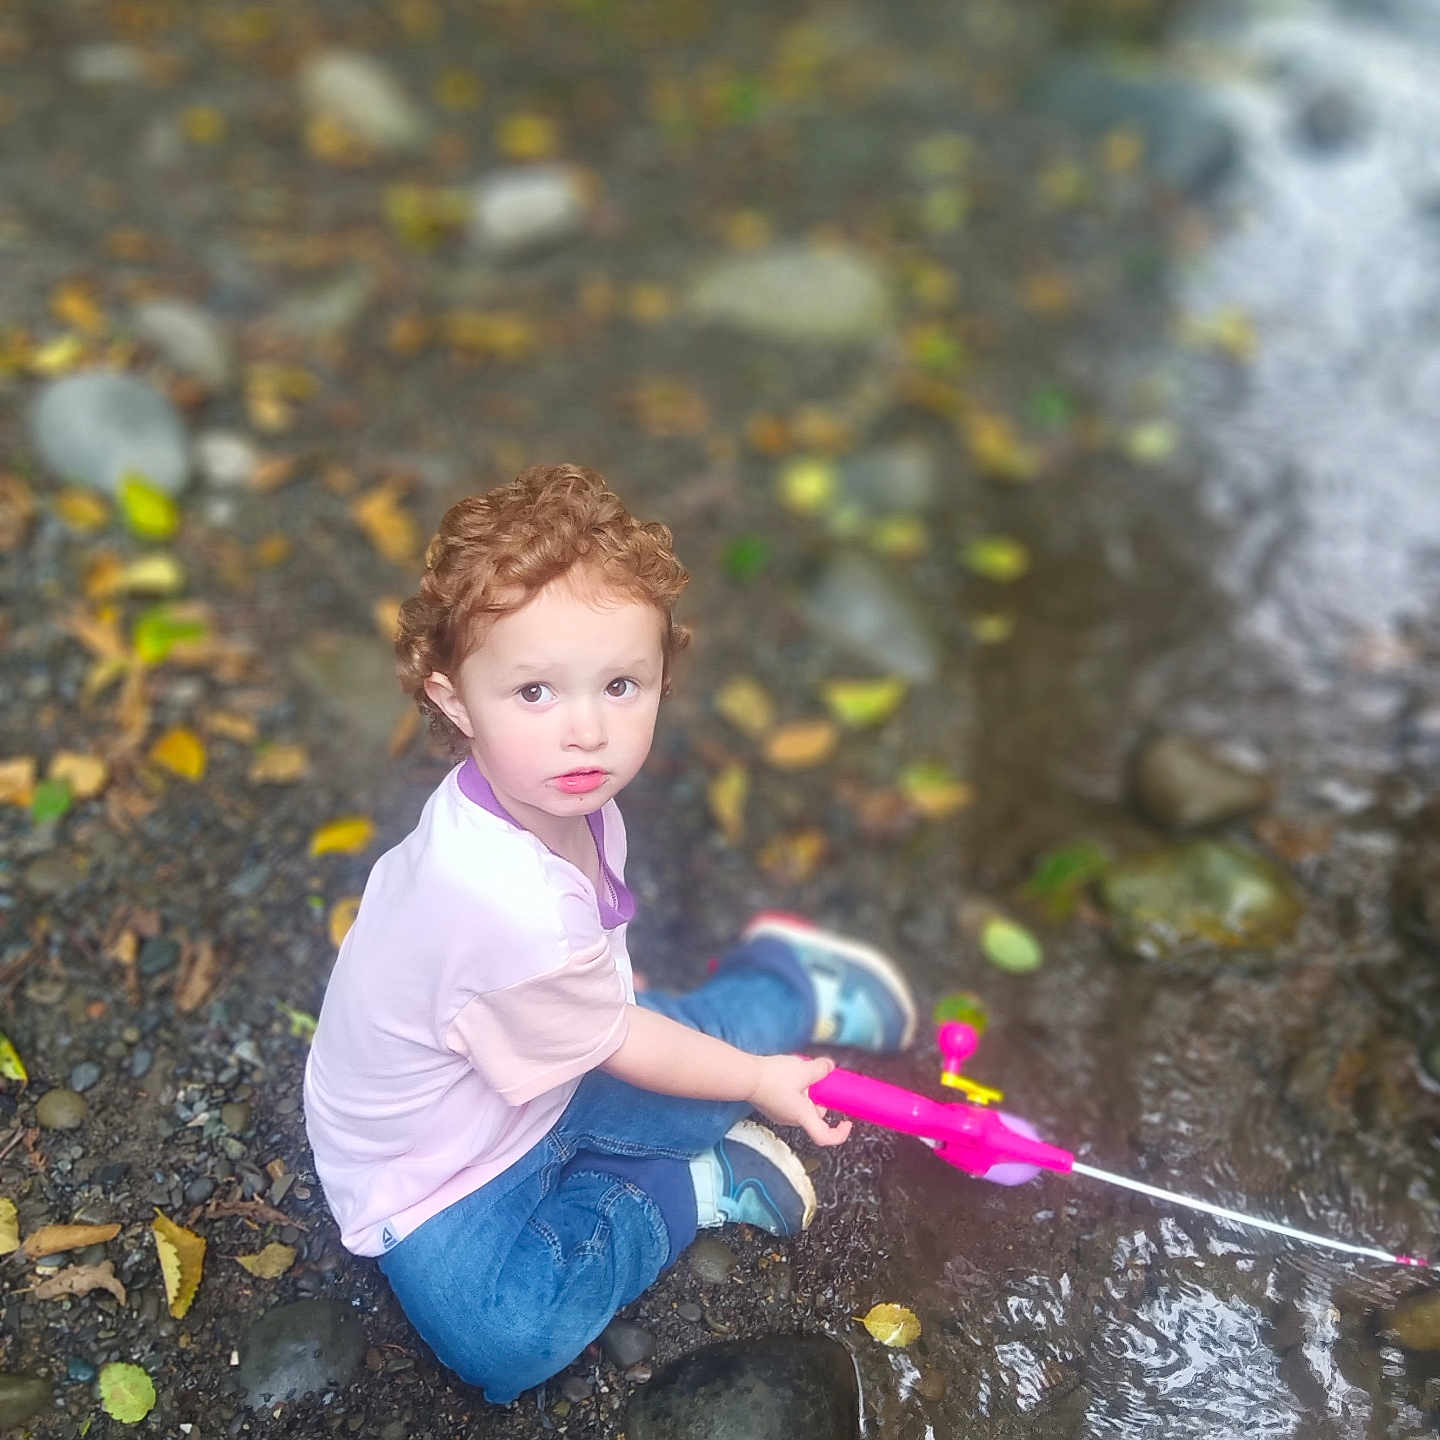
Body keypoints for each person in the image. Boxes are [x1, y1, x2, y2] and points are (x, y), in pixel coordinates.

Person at [302, 462, 917, 1403]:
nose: (587, 731)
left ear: (663, 678)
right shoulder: (493, 895)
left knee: (696, 1080)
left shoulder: (551, 795)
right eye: (536, 694)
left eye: (621, 684)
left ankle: (783, 984)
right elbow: (619, 1030)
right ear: (454, 700)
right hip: (429, 1169)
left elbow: (606, 1015)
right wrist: (756, 1083)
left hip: (548, 1055)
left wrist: (712, 1071)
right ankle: (681, 1193)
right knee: (504, 1339)